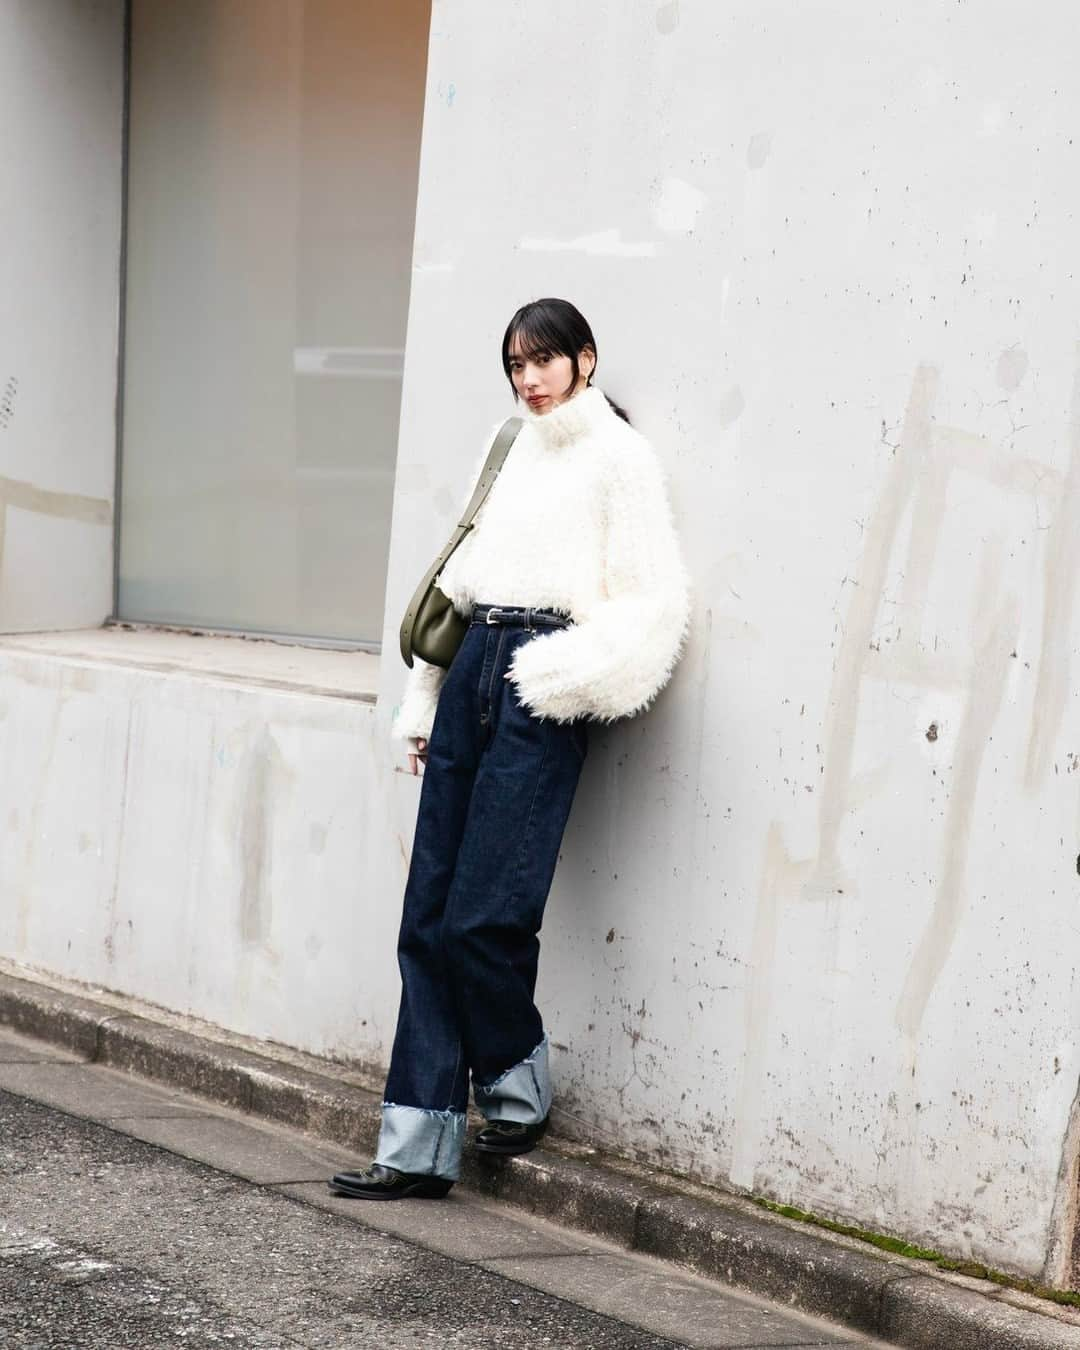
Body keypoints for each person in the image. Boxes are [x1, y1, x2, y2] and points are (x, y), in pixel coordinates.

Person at [329, 297, 690, 1200]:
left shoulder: (621, 460)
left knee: (481, 919)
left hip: (541, 685)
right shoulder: (508, 445)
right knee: (426, 917)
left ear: (585, 360)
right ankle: (415, 1145)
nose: (528, 380)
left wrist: (555, 680)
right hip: (472, 674)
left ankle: (516, 1075)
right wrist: (423, 703)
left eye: (543, 361)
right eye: (516, 366)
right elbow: (456, 583)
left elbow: (653, 608)